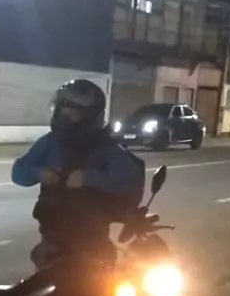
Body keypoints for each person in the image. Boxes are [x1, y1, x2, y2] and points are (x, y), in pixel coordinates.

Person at [12, 78, 145, 269]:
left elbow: (130, 179)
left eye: (71, 113)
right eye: (61, 110)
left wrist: (89, 178)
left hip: (93, 246)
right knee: (42, 286)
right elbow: (18, 172)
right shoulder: (50, 143)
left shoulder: (107, 149)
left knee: (105, 285)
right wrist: (38, 172)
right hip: (52, 245)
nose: (64, 117)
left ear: (90, 117)